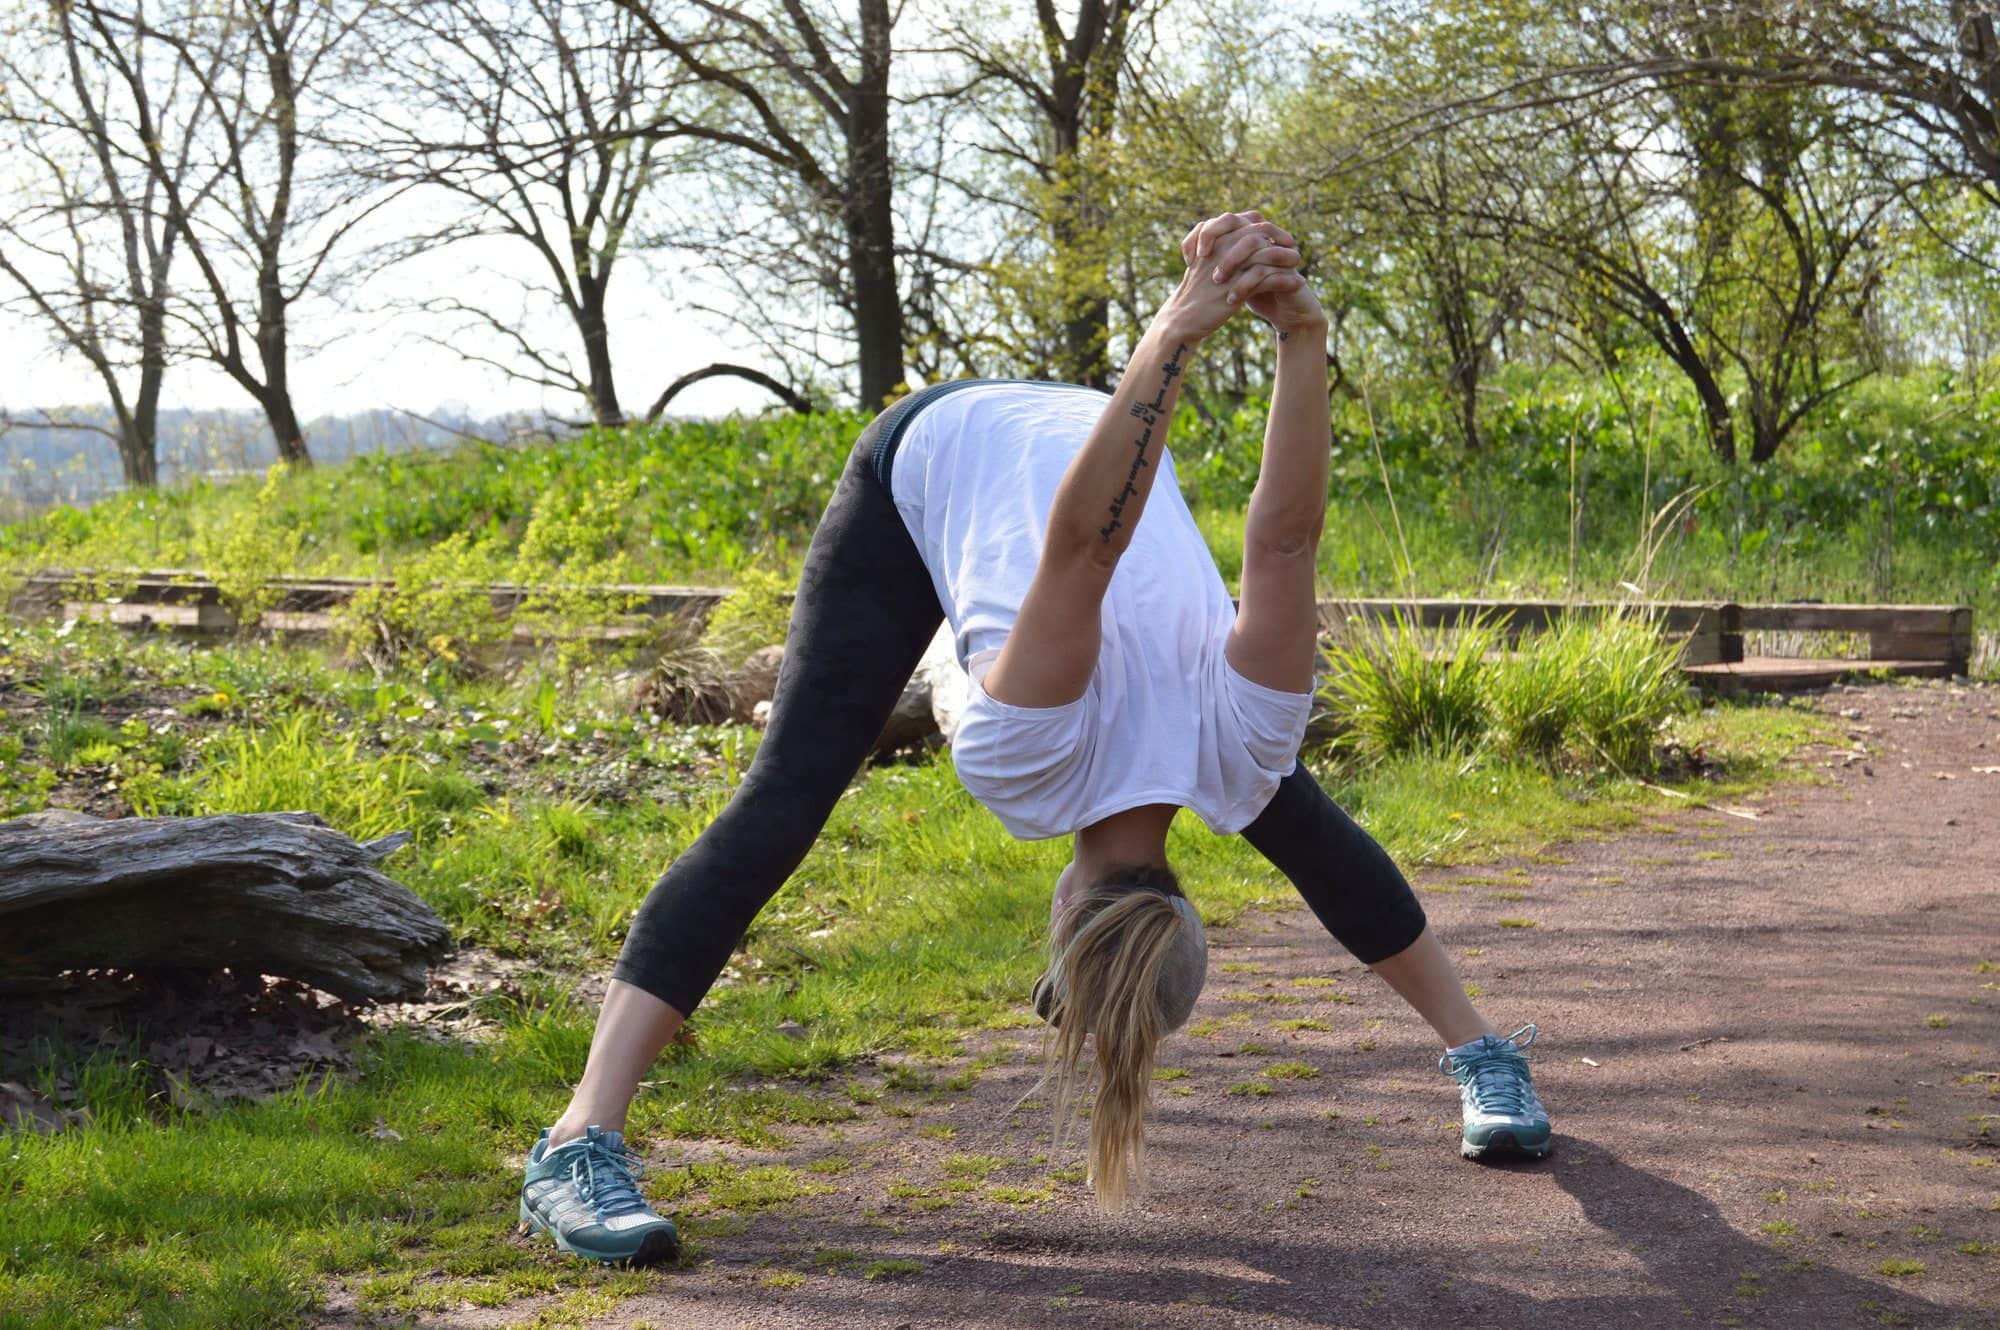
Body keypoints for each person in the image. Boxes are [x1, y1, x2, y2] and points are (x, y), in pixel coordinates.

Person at [517, 210, 1552, 1268]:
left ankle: (1483, 1050)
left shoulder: (1225, 740)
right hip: (935, 452)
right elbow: (1080, 550)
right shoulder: (1049, 757)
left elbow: (1284, 540)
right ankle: (570, 1142)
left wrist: (1300, 335)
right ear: (1060, 927)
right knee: (782, 799)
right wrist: (1172, 330)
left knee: (1277, 800)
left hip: (1072, 441)